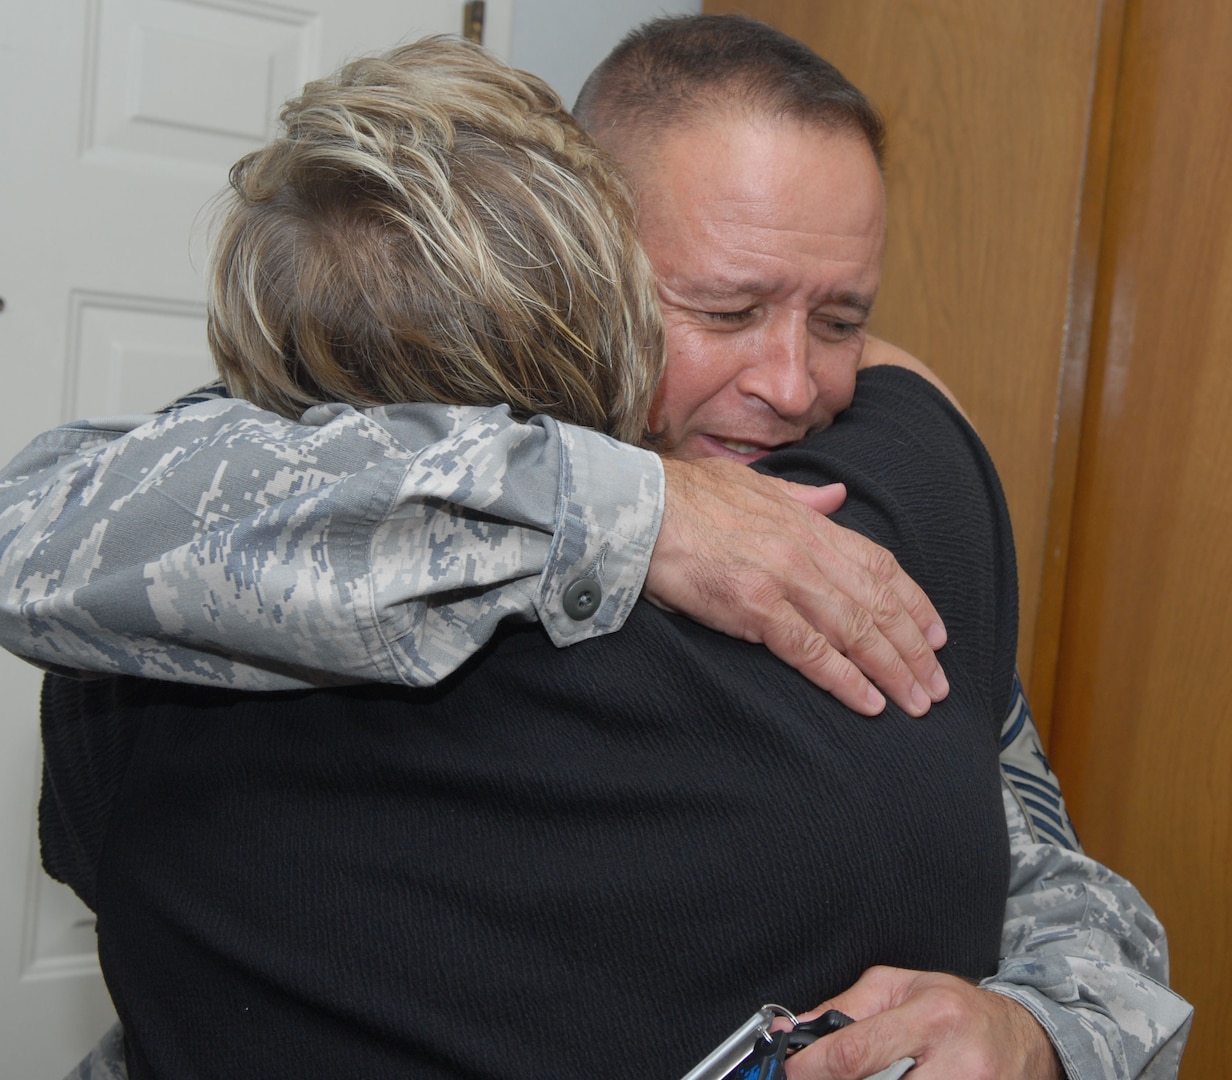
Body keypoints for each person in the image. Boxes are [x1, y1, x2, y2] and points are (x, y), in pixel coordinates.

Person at [8, 16, 1189, 1080]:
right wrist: (629, 505)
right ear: (589, 263)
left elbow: (1033, 856)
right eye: (724, 310)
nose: (790, 385)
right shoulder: (270, 499)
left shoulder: (860, 520)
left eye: (840, 319)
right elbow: (43, 532)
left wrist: (1036, 1031)